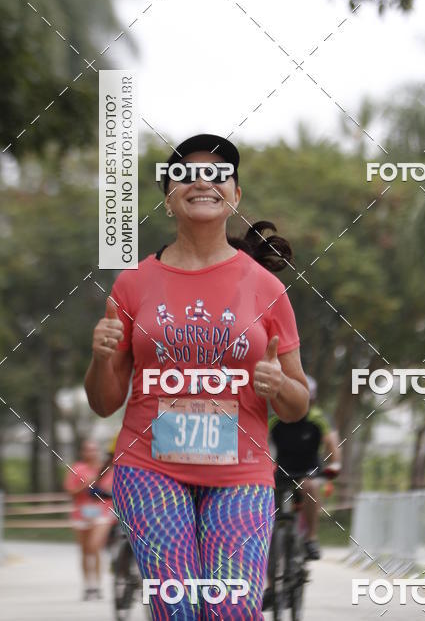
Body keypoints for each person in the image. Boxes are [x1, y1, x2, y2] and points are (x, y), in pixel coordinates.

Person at [84, 133, 309, 620]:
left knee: (231, 610)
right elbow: (104, 402)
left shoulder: (266, 286)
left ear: (235, 196)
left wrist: (278, 385)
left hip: (241, 475)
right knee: (179, 609)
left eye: (217, 174)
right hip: (149, 469)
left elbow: (297, 405)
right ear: (168, 196)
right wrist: (101, 357)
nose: (202, 182)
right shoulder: (133, 283)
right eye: (186, 174)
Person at [268, 375, 341, 560]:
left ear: (312, 400)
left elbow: (333, 446)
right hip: (283, 468)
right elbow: (261, 443)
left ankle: (310, 538)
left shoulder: (319, 419)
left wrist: (334, 466)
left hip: (310, 470)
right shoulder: (275, 419)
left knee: (309, 486)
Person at [63, 438, 115, 600]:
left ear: (98, 451)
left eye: (93, 449)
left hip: (102, 512)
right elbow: (70, 492)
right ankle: (89, 586)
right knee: (85, 551)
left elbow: (113, 491)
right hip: (81, 512)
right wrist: (84, 485)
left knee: (94, 547)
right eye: (87, 449)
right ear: (83, 452)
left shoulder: (107, 469)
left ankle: (98, 585)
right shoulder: (77, 469)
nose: (90, 452)